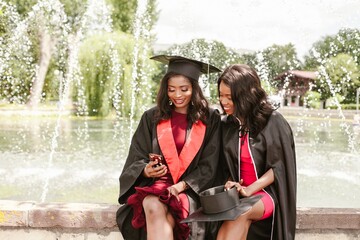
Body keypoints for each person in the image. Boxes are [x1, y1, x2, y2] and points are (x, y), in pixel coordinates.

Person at [116, 55, 222, 240]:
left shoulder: (209, 118)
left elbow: (210, 164)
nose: (177, 95)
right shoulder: (152, 117)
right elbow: (137, 155)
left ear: (194, 89)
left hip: (190, 190)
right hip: (157, 186)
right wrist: (145, 171)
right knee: (152, 203)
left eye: (184, 89)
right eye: (171, 89)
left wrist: (180, 187)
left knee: (164, 212)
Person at [216, 64, 297, 240]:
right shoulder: (228, 124)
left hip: (267, 193)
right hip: (238, 194)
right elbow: (226, 165)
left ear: (245, 95)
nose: (223, 101)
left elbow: (279, 167)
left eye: (229, 97)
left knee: (239, 213)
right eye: (221, 95)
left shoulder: (273, 121)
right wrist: (231, 184)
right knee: (227, 218)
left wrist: (249, 189)